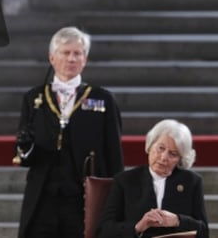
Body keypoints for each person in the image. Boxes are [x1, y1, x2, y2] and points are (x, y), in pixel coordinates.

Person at [13, 26, 124, 238]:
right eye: (65, 52)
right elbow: (23, 155)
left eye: (77, 53)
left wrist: (117, 198)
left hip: (83, 197)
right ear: (52, 57)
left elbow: (114, 154)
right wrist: (25, 147)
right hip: (43, 197)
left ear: (85, 59)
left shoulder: (103, 99)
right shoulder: (34, 98)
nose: (71, 59)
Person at [96, 119, 209, 238]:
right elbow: (104, 230)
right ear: (150, 145)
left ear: (180, 159)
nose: (164, 157)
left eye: (173, 154)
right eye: (161, 148)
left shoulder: (192, 182)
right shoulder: (125, 180)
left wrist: (178, 220)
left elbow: (203, 231)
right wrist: (138, 227)